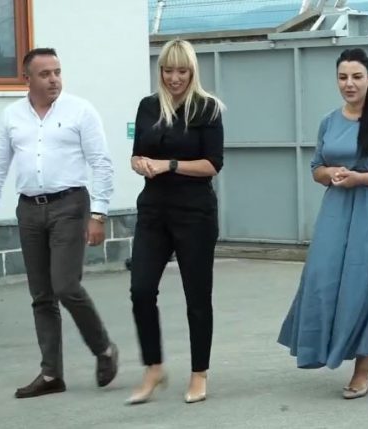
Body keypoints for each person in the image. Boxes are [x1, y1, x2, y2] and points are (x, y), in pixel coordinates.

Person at [0, 48, 118, 399]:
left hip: (70, 205)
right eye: (45, 74)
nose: (54, 79)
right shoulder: (12, 116)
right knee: (41, 295)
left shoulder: (80, 110)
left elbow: (101, 163)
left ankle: (103, 348)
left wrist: (98, 214)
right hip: (29, 210)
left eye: (57, 72)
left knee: (65, 285)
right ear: (27, 79)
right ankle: (51, 374)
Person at [278, 48, 368, 400]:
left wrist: (360, 178)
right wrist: (331, 173)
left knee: (365, 288)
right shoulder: (329, 121)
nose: (349, 83)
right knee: (322, 282)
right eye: (342, 77)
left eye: (356, 76)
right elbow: (316, 168)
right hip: (336, 212)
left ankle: (363, 367)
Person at [126, 39, 224, 405]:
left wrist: (169, 165)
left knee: (197, 296)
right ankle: (154, 367)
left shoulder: (207, 109)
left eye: (182, 71)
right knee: (140, 290)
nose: (174, 78)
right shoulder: (148, 106)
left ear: (192, 71)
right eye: (168, 71)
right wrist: (140, 164)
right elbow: (137, 155)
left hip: (194, 213)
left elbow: (212, 164)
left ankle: (199, 373)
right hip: (153, 210)